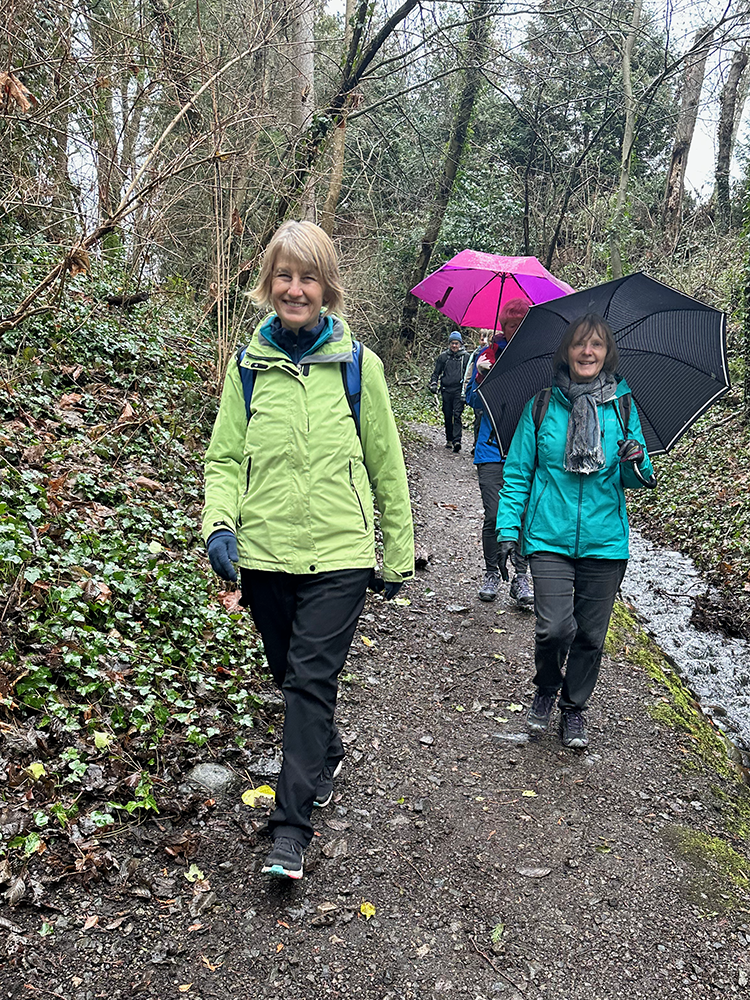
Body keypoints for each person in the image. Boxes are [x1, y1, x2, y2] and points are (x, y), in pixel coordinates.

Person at [202, 220, 414, 879]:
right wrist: (219, 525)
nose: (295, 289)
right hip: (264, 552)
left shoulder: (358, 367)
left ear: (328, 289)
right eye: (284, 276)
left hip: (339, 554)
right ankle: (327, 749)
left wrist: (397, 552)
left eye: (309, 278)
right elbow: (224, 459)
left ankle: (291, 829)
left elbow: (386, 465)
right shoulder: (247, 367)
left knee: (309, 679)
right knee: (288, 673)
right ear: (268, 284)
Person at [495, 313, 656, 749]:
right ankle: (547, 687)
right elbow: (517, 474)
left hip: (606, 541)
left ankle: (573, 708)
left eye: (597, 344)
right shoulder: (541, 405)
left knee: (590, 636)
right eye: (580, 344)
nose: (588, 352)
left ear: (607, 353)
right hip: (549, 536)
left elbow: (639, 478)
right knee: (553, 629)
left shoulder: (623, 406)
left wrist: (635, 459)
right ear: (566, 352)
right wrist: (507, 529)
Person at [464, 300, 533, 606]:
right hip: (491, 448)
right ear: (503, 327)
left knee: (524, 515)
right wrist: (482, 377)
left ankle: (521, 577)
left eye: (522, 324)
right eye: (512, 325)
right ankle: (492, 572)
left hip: (527, 449)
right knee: (494, 515)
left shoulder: (536, 356)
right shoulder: (486, 355)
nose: (516, 330)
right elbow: (472, 401)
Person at [429, 331, 470, 452]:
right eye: (452, 343)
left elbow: (469, 374)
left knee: (457, 414)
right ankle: (449, 439)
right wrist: (434, 384)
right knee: (447, 414)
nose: (454, 346)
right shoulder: (443, 357)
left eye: (456, 343)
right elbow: (436, 373)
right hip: (446, 390)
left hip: (459, 390)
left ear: (460, 344)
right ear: (449, 344)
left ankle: (457, 441)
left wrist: (467, 390)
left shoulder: (466, 357)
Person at [462, 330, 490, 455]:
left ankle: (481, 446)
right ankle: (477, 444)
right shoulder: (478, 354)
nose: (484, 340)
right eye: (482, 338)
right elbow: (470, 373)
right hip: (478, 392)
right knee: (479, 419)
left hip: (489, 393)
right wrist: (466, 390)